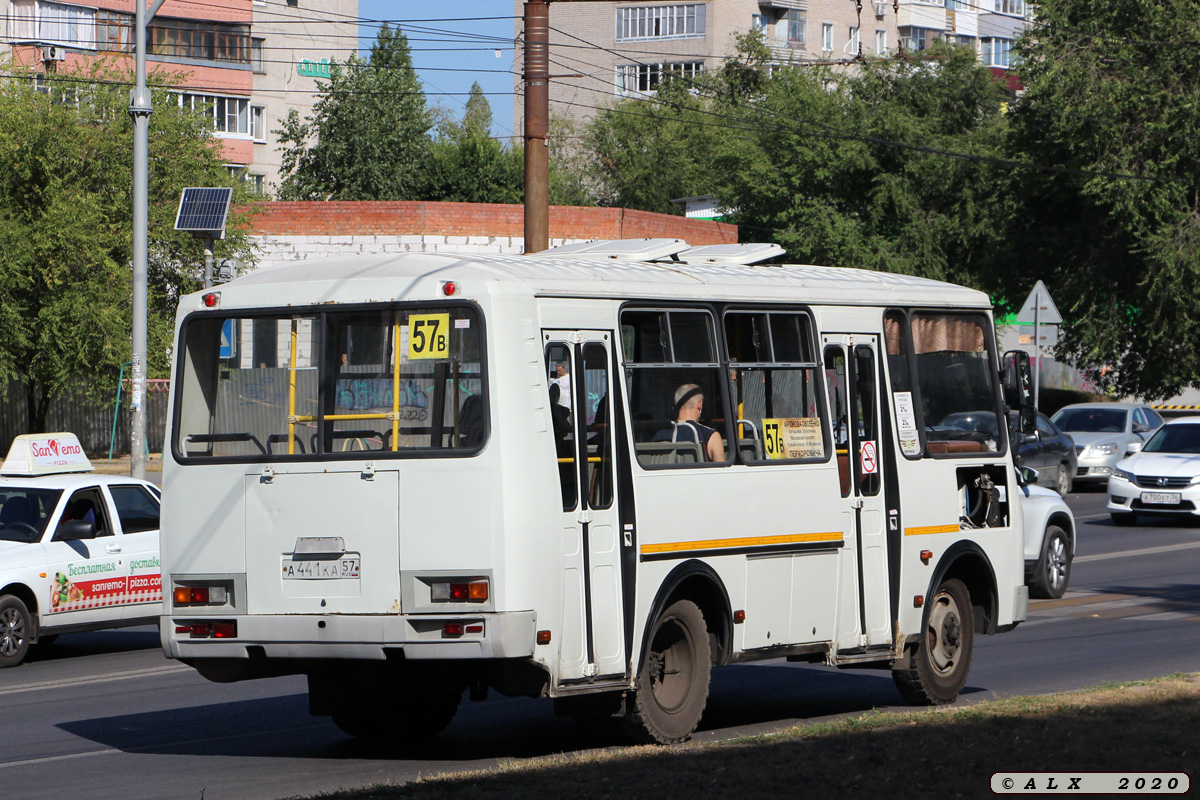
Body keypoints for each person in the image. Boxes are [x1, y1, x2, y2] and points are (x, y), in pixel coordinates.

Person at [652, 383, 724, 462]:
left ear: (675, 406)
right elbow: (722, 472)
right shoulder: (711, 436)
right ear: (700, 405)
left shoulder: (660, 435)